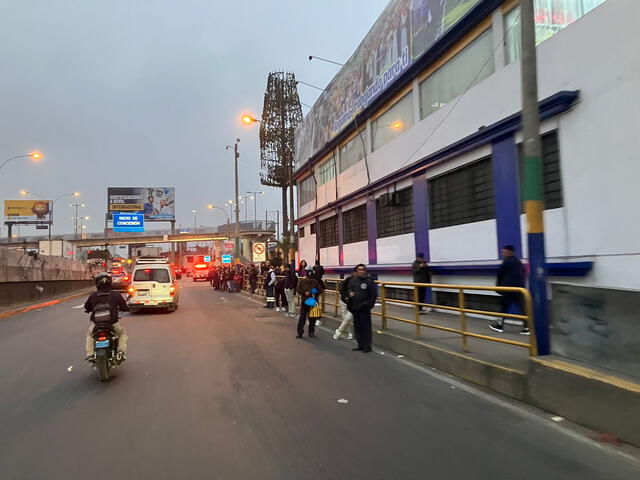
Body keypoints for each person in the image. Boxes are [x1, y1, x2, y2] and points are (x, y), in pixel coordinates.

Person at [84, 272, 129, 362]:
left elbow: (87, 307)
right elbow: (124, 307)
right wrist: (126, 309)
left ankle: (90, 354)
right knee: (122, 334)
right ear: (110, 283)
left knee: (90, 336)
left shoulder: (93, 295)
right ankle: (120, 352)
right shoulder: (116, 294)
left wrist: (89, 310)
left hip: (97, 325)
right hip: (113, 324)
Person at [489, 245, 529, 335]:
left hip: (508, 288)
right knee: (522, 308)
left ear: (509, 252)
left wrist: (498, 287)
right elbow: (522, 275)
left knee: (504, 306)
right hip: (519, 289)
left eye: (504, 252)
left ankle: (499, 325)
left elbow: (500, 275)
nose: (503, 253)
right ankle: (527, 327)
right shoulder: (519, 262)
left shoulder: (506, 262)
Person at [347, 264, 377, 353]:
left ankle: (367, 346)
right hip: (355, 307)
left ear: (365, 271)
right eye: (359, 269)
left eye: (362, 269)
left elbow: (373, 295)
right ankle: (360, 344)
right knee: (357, 327)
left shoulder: (369, 281)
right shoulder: (353, 281)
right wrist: (350, 294)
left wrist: (368, 305)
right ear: (356, 271)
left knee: (366, 328)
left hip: (364, 308)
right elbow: (349, 290)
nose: (360, 271)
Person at [296, 267, 323, 338]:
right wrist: (312, 293)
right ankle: (310, 332)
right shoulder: (314, 282)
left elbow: (298, 290)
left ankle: (300, 333)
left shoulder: (303, 281)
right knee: (311, 318)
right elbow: (320, 290)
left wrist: (306, 293)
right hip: (312, 302)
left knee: (303, 318)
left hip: (305, 301)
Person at [334, 268, 356, 340]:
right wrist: (347, 295)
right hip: (344, 301)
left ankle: (339, 330)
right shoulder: (348, 279)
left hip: (353, 303)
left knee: (348, 318)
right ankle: (350, 333)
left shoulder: (360, 282)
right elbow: (341, 290)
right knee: (346, 318)